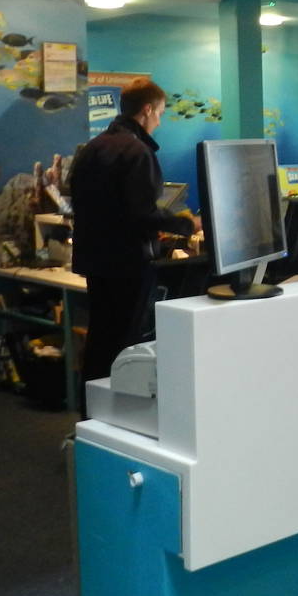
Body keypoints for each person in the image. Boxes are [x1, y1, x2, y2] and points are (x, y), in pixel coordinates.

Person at [67, 79, 194, 383]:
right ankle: (118, 412)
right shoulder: (137, 152)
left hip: (95, 261)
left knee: (101, 337)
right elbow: (142, 214)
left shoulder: (92, 148)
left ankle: (92, 412)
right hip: (127, 263)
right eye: (160, 113)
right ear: (147, 110)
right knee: (126, 343)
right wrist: (186, 224)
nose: (159, 122)